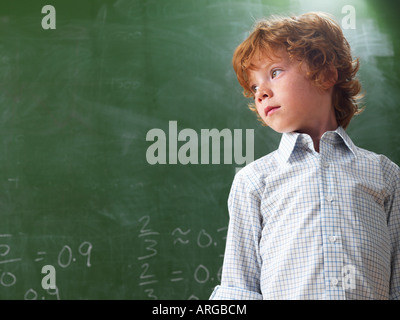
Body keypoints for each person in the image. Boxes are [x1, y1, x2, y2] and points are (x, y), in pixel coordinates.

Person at [210, 12, 400, 300]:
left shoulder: (385, 175)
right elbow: (239, 289)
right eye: (254, 87)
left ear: (326, 74)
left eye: (274, 72)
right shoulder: (253, 181)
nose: (261, 93)